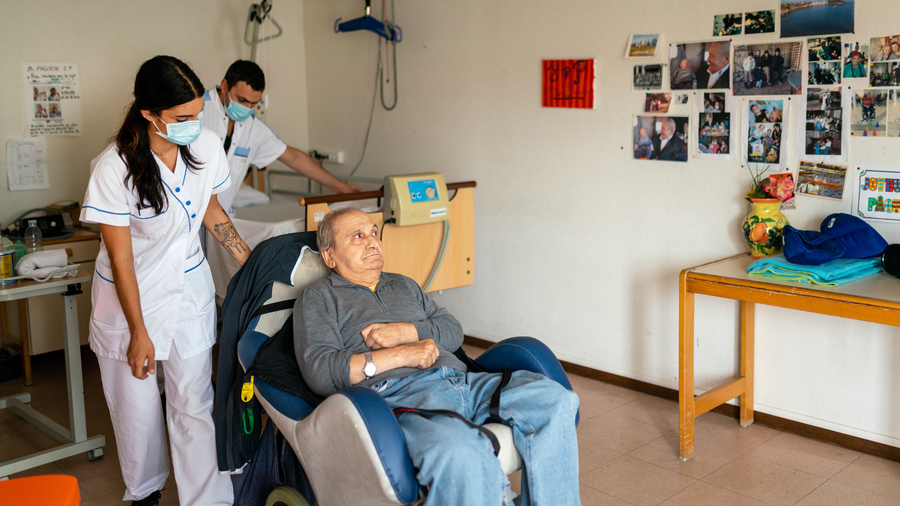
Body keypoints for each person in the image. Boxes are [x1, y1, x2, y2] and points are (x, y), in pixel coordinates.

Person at [293, 208, 581, 506]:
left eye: (374, 233)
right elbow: (321, 371)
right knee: (462, 451)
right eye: (358, 236)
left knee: (556, 401)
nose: (372, 242)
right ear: (329, 256)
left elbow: (452, 330)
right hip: (404, 397)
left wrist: (406, 332)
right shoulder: (318, 298)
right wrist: (403, 354)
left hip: (465, 383)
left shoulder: (403, 284)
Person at [80, 55, 252, 506]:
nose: (194, 124)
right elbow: (120, 258)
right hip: (130, 297)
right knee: (138, 411)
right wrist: (139, 332)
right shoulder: (114, 167)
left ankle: (208, 500)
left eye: (197, 113)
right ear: (149, 114)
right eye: (182, 118)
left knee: (193, 405)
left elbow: (212, 211)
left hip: (188, 294)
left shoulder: (208, 144)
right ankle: (145, 494)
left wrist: (248, 262)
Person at [200, 60, 361, 217]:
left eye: (253, 104)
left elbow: (294, 157)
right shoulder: (197, 111)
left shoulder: (253, 127)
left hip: (220, 218)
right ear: (224, 86)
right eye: (242, 100)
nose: (246, 109)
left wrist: (339, 186)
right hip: (187, 217)